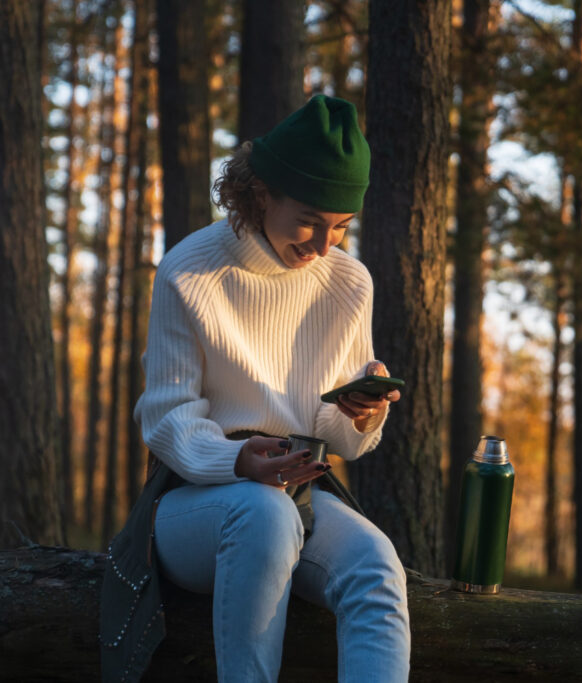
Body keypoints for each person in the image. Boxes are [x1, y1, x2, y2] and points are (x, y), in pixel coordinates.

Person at [99, 94, 410, 682]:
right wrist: (236, 460)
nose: (323, 246)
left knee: (375, 565)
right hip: (194, 500)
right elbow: (167, 418)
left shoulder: (348, 283)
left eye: (341, 228)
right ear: (260, 193)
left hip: (302, 491)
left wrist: (360, 412)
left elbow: (336, 437)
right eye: (310, 222)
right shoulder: (191, 269)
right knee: (263, 515)